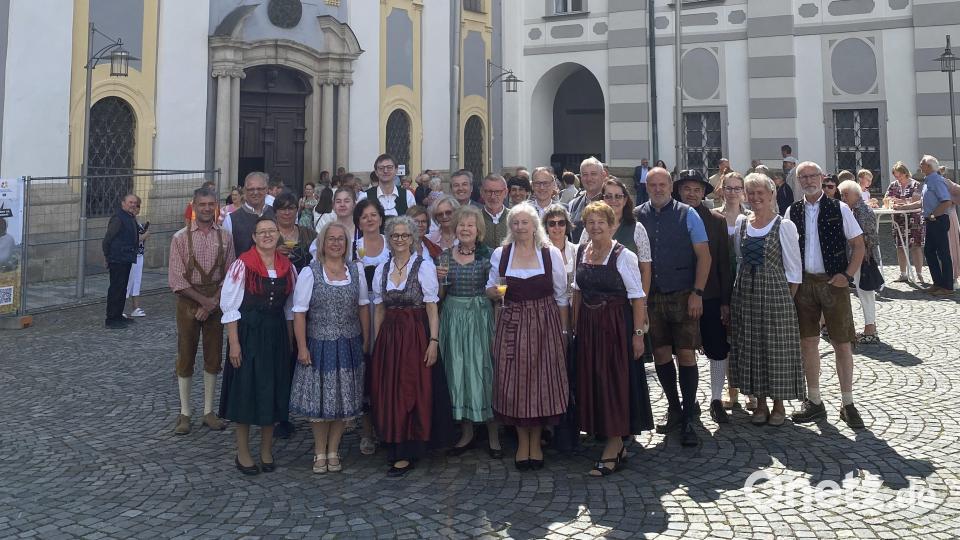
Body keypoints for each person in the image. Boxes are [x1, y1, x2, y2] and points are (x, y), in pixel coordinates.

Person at [486, 202, 570, 470]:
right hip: (512, 321)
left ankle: (537, 441)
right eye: (515, 223)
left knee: (541, 382)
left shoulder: (550, 254)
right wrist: (495, 292)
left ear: (535, 226)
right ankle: (524, 443)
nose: (520, 227)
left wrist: (564, 332)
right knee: (515, 383)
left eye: (525, 222)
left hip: (545, 323)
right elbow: (490, 288)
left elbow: (561, 296)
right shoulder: (501, 254)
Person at [571, 201, 651, 476]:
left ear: (612, 225)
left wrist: (638, 335)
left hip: (616, 326)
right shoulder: (582, 251)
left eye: (600, 222)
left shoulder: (623, 255)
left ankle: (614, 444)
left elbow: (638, 297)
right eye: (590, 223)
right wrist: (574, 327)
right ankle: (613, 442)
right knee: (594, 380)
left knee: (613, 382)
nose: (595, 227)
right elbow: (577, 292)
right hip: (589, 326)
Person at [370, 216, 454, 477]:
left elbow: (431, 307)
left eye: (405, 235)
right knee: (390, 390)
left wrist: (433, 341)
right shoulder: (382, 269)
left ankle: (410, 446)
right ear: (388, 238)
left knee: (411, 388)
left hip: (415, 334)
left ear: (413, 238)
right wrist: (376, 343)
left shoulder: (424, 266)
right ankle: (394, 440)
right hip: (390, 337)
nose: (399, 240)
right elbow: (379, 309)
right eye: (395, 235)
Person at [633, 167, 711, 446]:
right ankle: (674, 407)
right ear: (647, 186)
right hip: (652, 297)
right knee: (663, 354)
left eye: (662, 184)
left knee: (687, 355)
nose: (657, 188)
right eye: (652, 184)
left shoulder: (687, 214)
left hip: (683, 294)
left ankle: (690, 414)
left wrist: (697, 293)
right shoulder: (638, 214)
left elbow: (704, 256)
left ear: (670, 186)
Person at [785, 161, 866, 429]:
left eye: (812, 176)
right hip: (804, 284)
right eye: (803, 177)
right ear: (798, 181)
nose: (808, 180)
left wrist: (848, 275)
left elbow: (858, 245)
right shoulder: (791, 210)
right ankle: (815, 401)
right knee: (807, 343)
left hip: (833, 282)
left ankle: (848, 402)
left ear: (821, 178)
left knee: (842, 343)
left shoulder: (839, 207)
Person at [289, 222, 370, 474]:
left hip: (349, 343)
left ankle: (333, 449)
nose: (336, 243)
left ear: (347, 244)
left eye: (341, 239)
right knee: (320, 401)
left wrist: (366, 340)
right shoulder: (310, 272)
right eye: (331, 239)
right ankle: (319, 450)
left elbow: (363, 307)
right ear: (322, 243)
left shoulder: (355, 270)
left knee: (342, 401)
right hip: (319, 343)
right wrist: (302, 347)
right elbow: (299, 313)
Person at [219, 216, 297, 475]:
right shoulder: (242, 265)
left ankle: (266, 450)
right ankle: (242, 452)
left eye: (271, 231)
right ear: (253, 237)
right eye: (261, 232)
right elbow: (230, 306)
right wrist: (234, 344)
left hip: (275, 335)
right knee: (246, 392)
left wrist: (289, 343)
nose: (267, 235)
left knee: (272, 392)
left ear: (278, 235)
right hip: (249, 334)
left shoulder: (287, 267)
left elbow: (288, 309)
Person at [730, 173, 804, 426]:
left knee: (776, 348)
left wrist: (786, 300)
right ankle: (759, 402)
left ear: (771, 195)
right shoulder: (742, 222)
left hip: (775, 293)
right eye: (751, 193)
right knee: (753, 347)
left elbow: (794, 270)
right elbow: (740, 259)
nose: (755, 197)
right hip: (746, 294)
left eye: (760, 192)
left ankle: (779, 404)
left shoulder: (783, 225)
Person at [168, 187, 236, 435]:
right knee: (185, 354)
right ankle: (185, 412)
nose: (207, 208)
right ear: (194, 207)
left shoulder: (226, 237)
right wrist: (202, 302)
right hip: (188, 301)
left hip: (216, 302)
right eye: (202, 204)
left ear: (216, 207)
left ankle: (209, 411)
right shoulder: (179, 238)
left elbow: (231, 274)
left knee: (214, 356)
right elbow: (176, 280)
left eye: (211, 204)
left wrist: (213, 302)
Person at [435, 206, 501, 458]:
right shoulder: (444, 256)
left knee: (484, 370)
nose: (465, 229)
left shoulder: (489, 255)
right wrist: (440, 281)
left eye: (470, 225)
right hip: (452, 316)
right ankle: (467, 432)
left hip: (480, 317)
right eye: (461, 225)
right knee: (457, 372)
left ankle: (493, 434)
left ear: (478, 230)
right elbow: (439, 297)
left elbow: (496, 292)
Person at [673, 170, 733, 424]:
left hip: (710, 295)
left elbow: (724, 263)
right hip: (678, 295)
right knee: (683, 349)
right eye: (687, 188)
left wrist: (725, 301)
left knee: (717, 348)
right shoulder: (671, 217)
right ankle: (691, 398)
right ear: (679, 191)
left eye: (697, 189)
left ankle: (716, 398)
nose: (692, 193)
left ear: (704, 192)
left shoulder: (716, 221)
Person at [714, 172, 754, 411]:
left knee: (747, 340)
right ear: (721, 189)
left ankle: (751, 392)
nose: (732, 192)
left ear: (743, 191)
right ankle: (732, 392)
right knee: (727, 340)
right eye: (728, 188)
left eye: (736, 188)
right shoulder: (714, 216)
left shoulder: (751, 217)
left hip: (746, 283)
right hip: (722, 283)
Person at [839, 180, 881, 344]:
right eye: (842, 194)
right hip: (858, 257)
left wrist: (862, 254)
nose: (843, 197)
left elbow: (866, 237)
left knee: (865, 292)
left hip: (863, 258)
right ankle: (870, 327)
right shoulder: (853, 209)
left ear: (855, 194)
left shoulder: (861, 210)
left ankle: (870, 329)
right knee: (862, 291)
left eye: (845, 194)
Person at [102, 193, 140, 329]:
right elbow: (108, 238)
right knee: (116, 288)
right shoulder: (118, 218)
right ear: (123, 203)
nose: (133, 205)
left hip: (126, 258)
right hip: (117, 258)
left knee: (122, 288)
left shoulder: (130, 217)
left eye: (135, 202)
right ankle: (111, 318)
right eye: (130, 202)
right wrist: (107, 256)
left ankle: (118, 316)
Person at [577, 179, 642, 254]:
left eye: (618, 196)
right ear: (602, 199)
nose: (613, 200)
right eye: (608, 196)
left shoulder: (637, 229)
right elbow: (580, 257)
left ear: (624, 200)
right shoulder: (591, 227)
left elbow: (645, 265)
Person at [919, 156, 954, 295]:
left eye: (922, 164)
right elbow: (925, 202)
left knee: (943, 253)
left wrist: (933, 215)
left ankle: (947, 287)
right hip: (931, 220)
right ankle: (938, 283)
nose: (920, 166)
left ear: (929, 166)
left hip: (938, 220)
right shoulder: (928, 180)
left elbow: (946, 201)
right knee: (929, 251)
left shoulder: (937, 180)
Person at [886, 161, 926, 283]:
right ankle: (903, 274)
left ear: (905, 173)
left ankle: (919, 274)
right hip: (899, 220)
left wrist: (900, 201)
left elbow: (916, 200)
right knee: (900, 246)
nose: (898, 178)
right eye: (896, 176)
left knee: (916, 246)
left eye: (900, 176)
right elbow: (887, 198)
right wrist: (892, 200)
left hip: (914, 219)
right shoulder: (893, 185)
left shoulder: (916, 184)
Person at [223, 172, 276, 255]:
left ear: (266, 190)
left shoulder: (276, 214)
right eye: (251, 189)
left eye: (260, 189)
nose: (255, 192)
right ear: (244, 191)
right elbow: (227, 253)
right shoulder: (230, 219)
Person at [274, 192, 318, 274]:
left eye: (291, 208)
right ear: (275, 212)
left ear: (297, 210)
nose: (287, 213)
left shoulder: (310, 234)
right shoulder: (267, 235)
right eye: (282, 209)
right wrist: (273, 253)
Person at [569, 157, 607, 240]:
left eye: (593, 174)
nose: (589, 179)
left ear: (603, 175)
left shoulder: (612, 203)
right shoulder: (573, 204)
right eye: (585, 174)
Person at [124, 196, 150, 318]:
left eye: (138, 205)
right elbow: (130, 239)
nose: (136, 208)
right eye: (133, 205)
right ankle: (120, 308)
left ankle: (135, 307)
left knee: (136, 282)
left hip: (139, 255)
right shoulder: (127, 221)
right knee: (127, 282)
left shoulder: (136, 221)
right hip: (131, 255)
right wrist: (144, 236)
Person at [315, 187, 357, 256]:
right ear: (333, 206)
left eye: (346, 201)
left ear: (354, 205)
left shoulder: (362, 231)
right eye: (338, 201)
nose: (342, 205)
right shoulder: (325, 231)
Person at [480, 174, 510, 249]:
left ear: (505, 193)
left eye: (497, 192)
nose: (493, 197)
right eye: (488, 192)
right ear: (482, 193)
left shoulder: (514, 217)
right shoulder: (474, 218)